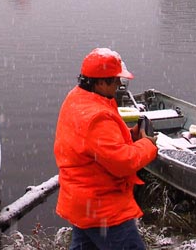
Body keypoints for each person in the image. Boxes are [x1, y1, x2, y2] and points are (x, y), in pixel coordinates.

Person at [54, 48, 158, 250]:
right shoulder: (96, 115)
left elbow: (93, 144)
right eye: (115, 80)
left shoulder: (77, 99)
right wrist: (147, 144)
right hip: (103, 209)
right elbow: (123, 163)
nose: (119, 85)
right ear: (100, 82)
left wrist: (130, 135)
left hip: (82, 201)